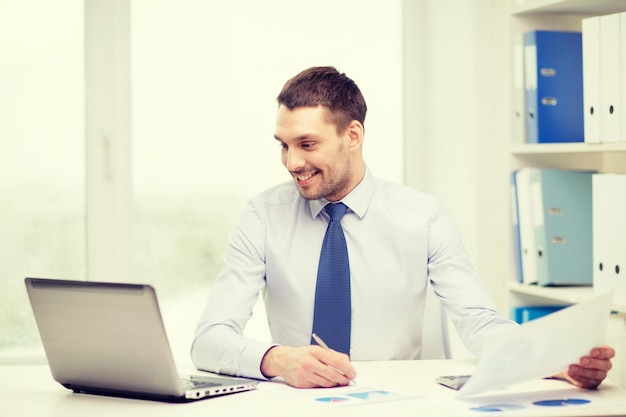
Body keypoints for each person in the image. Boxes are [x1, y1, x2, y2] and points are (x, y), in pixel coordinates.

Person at [191, 66, 615, 389]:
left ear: (352, 135)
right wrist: (276, 359)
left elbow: (479, 321)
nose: (292, 162)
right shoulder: (263, 215)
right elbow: (210, 338)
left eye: (306, 144)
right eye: (283, 145)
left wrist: (551, 360)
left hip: (398, 402)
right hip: (297, 403)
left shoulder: (423, 215)